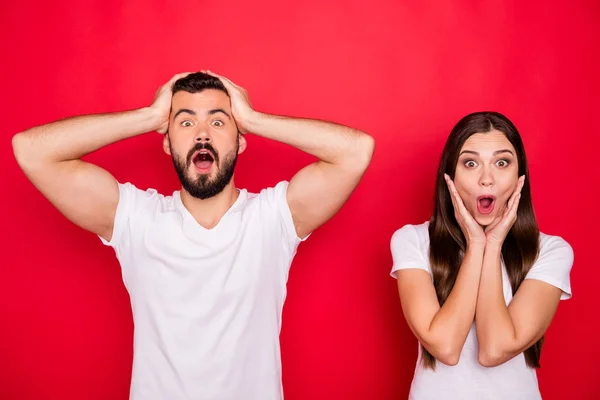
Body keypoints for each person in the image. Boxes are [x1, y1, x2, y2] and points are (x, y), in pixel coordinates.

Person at [12, 71, 375, 400]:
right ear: (168, 143)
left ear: (241, 141)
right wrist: (150, 116)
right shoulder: (136, 219)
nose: (202, 133)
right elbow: (31, 151)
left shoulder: (274, 218)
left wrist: (253, 118)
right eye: (185, 123)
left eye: (218, 121)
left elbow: (356, 151)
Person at [390, 111, 573, 399]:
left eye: (501, 163)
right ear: (449, 175)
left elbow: (494, 349)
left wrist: (494, 242)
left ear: (519, 176)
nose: (486, 179)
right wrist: (476, 244)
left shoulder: (551, 251)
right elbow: (446, 348)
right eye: (470, 163)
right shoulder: (411, 240)